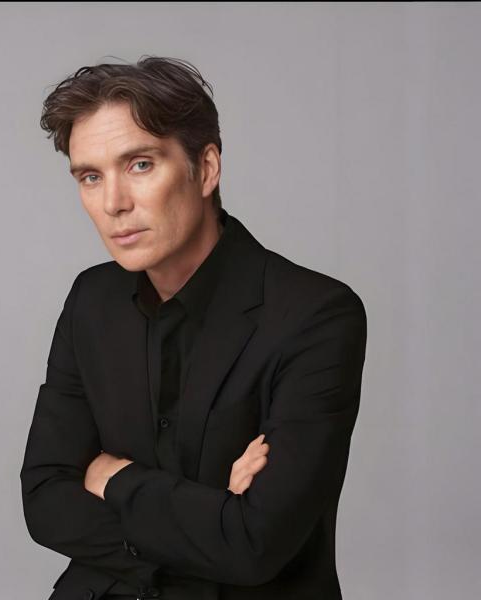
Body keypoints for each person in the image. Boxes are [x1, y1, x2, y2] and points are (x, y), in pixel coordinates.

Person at [20, 55, 367, 600]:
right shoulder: (92, 300)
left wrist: (114, 478)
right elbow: (45, 498)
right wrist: (212, 517)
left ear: (205, 169)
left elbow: (254, 544)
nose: (113, 203)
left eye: (140, 165)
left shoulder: (317, 314)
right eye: (91, 177)